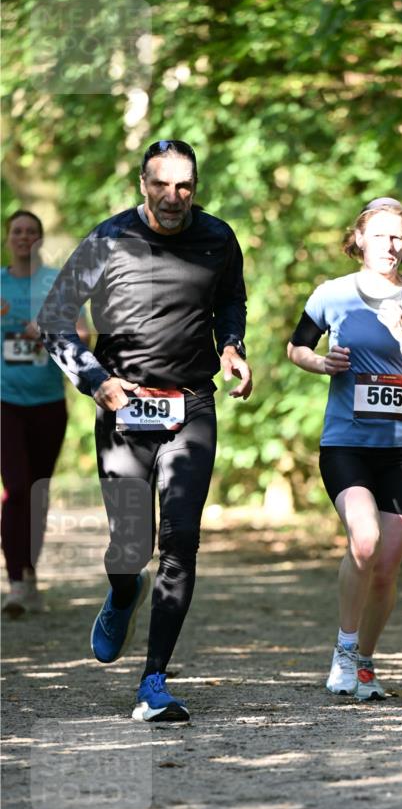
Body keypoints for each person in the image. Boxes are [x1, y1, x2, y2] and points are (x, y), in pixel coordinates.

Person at [38, 139, 252, 723]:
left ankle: (153, 679)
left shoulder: (218, 238)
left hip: (192, 407)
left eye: (184, 185)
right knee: (131, 547)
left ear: (196, 187)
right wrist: (95, 381)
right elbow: (54, 320)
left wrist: (232, 346)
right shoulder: (107, 239)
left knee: (180, 543)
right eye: (162, 184)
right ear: (142, 184)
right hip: (124, 408)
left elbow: (231, 300)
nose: (173, 196)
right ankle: (123, 592)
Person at [287, 197, 402, 700]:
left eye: (398, 236)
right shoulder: (333, 294)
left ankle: (365, 664)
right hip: (347, 443)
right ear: (358, 240)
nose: (391, 245)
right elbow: (296, 348)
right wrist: (322, 364)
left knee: (387, 567)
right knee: (363, 541)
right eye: (380, 235)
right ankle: (343, 649)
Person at [1, 210, 89, 618]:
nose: (23, 238)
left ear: (39, 239)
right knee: (16, 489)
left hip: (48, 402)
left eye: (31, 232)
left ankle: (31, 572)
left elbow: (85, 335)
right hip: (5, 402)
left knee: (36, 491)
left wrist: (50, 328)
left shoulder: (56, 282)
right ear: (8, 239)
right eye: (17, 231)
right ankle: (16, 581)